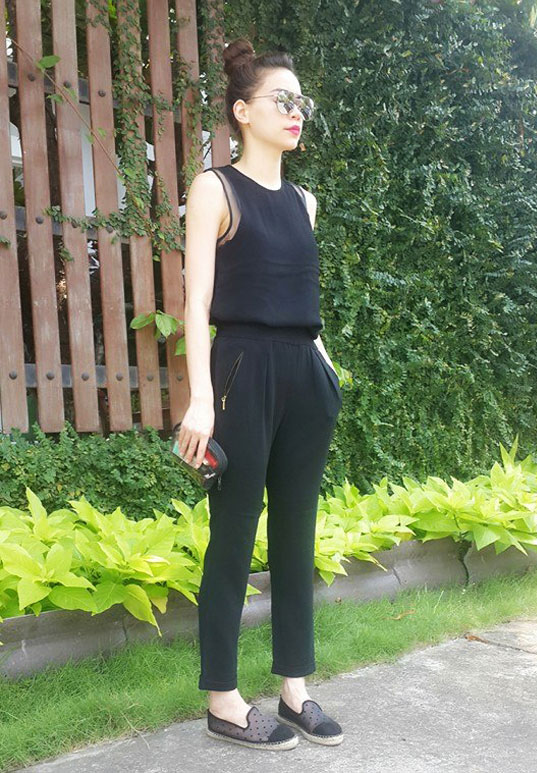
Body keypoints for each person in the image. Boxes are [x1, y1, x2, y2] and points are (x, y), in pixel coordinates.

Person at [178, 37, 344, 750]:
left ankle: (295, 688)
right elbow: (196, 303)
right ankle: (223, 698)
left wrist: (326, 373)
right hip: (242, 370)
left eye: (300, 102)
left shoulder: (305, 201)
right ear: (243, 111)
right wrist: (200, 398)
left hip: (306, 372)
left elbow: (303, 298)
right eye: (282, 99)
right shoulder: (214, 188)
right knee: (234, 535)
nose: (295, 111)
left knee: (296, 533)